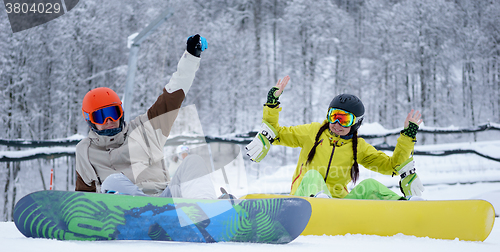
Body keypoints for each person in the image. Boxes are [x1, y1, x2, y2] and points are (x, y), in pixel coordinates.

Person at [75, 35, 217, 200]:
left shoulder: (144, 130)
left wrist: (191, 57)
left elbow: (172, 96)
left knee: (193, 162)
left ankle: (208, 215)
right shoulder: (85, 151)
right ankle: (145, 214)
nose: (109, 120)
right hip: (125, 214)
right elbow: (83, 198)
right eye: (100, 116)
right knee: (111, 182)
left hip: (165, 202)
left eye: (113, 113)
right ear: (90, 120)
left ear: (120, 113)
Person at [245, 75, 424, 200]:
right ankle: (321, 199)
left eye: (344, 119)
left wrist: (407, 137)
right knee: (313, 176)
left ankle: (402, 206)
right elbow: (277, 134)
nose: (336, 123)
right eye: (333, 116)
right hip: (303, 199)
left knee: (370, 185)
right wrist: (272, 104)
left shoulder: (358, 147)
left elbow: (391, 166)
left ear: (355, 123)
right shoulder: (313, 132)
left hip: (338, 203)